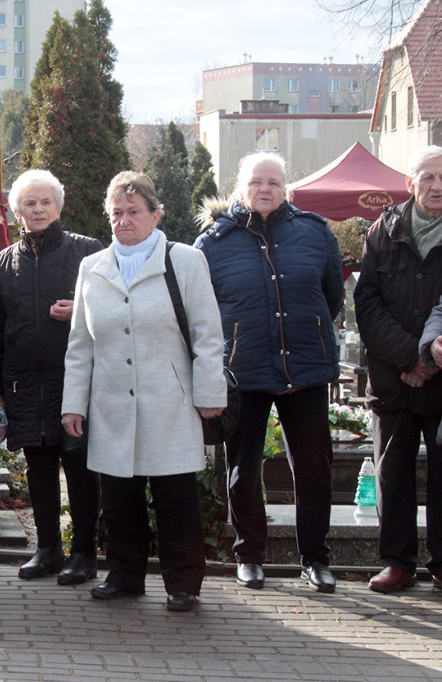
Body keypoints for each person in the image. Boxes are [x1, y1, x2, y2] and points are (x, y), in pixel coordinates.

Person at [61, 171, 224, 612]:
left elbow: (209, 333)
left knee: (175, 498)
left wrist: (211, 393)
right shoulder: (91, 267)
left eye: (134, 212)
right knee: (118, 499)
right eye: (116, 212)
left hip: (170, 400)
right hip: (111, 403)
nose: (124, 220)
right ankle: (125, 575)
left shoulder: (185, 261)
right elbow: (81, 343)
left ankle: (183, 583)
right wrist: (73, 403)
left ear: (156, 214)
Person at [195, 151, 343, 594]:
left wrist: (309, 331)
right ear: (240, 186)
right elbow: (201, 312)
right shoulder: (214, 243)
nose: (265, 189)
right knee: (242, 467)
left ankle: (315, 559)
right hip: (244, 370)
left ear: (287, 188)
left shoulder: (315, 233)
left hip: (306, 368)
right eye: (257, 182)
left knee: (314, 466)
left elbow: (331, 298)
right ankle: (249, 555)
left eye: (274, 183)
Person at [0, 169, 102, 584]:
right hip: (24, 385)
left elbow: (116, 312)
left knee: (82, 470)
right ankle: (47, 549)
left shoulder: (88, 252)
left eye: (45, 201)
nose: (38, 209)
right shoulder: (4, 264)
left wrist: (82, 312)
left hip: (76, 385)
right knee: (39, 469)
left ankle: (84, 553)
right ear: (16, 213)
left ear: (59, 206)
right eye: (29, 203)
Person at [356, 145, 442, 593]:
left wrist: (427, 361)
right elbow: (367, 307)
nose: (437, 186)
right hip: (394, 376)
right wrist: (411, 357)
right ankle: (398, 563)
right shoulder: (382, 231)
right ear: (409, 183)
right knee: (393, 472)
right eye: (426, 177)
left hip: (441, 377)